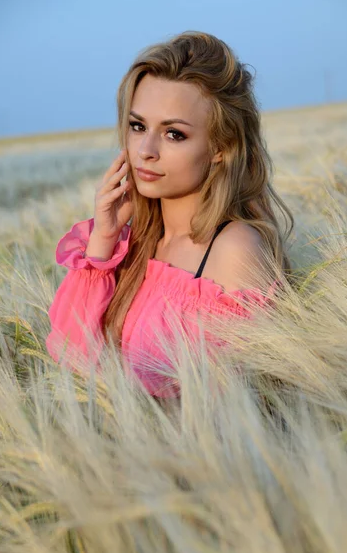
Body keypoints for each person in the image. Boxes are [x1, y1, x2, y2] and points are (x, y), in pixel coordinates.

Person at [46, 30, 294, 399]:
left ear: (220, 148)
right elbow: (69, 359)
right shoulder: (135, 244)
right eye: (137, 126)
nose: (145, 150)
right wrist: (102, 240)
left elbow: (238, 405)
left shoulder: (234, 249)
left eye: (174, 134)